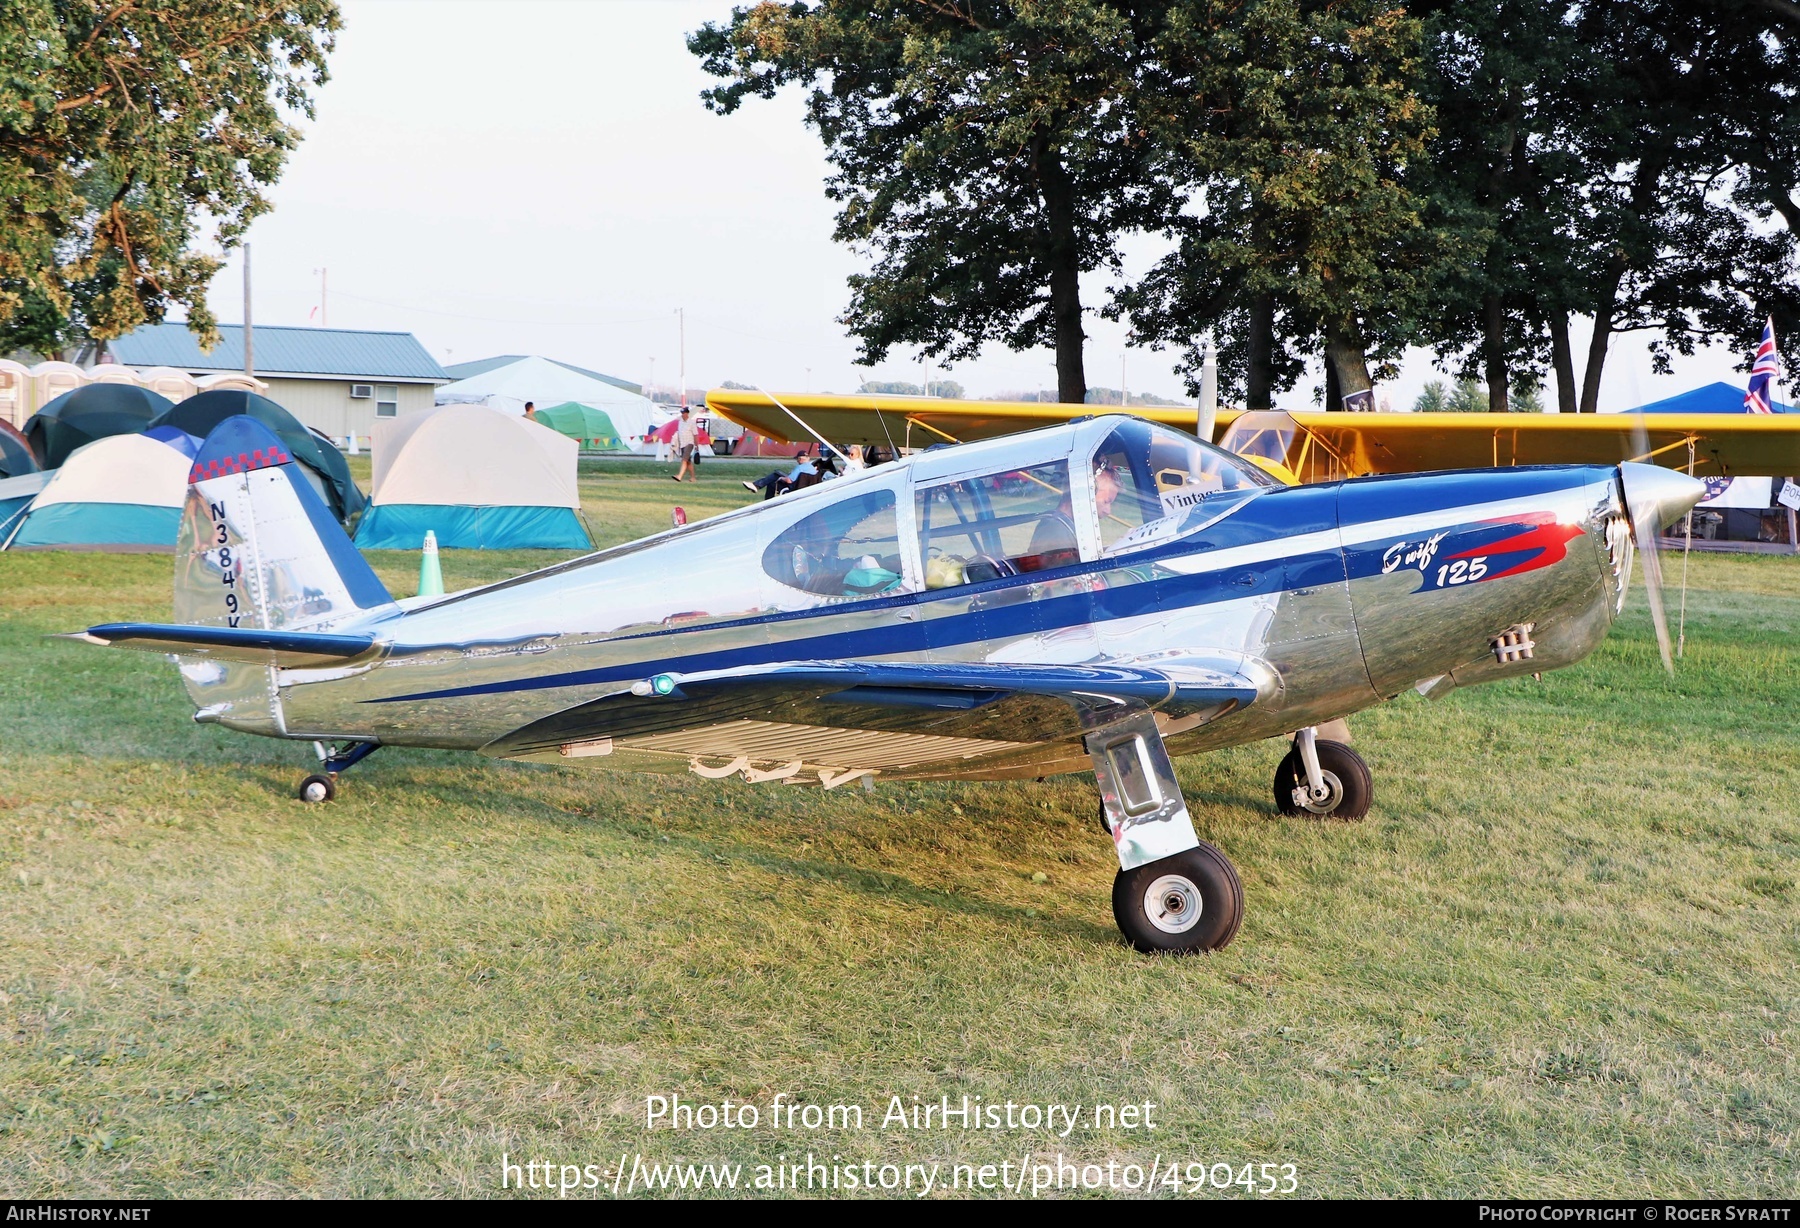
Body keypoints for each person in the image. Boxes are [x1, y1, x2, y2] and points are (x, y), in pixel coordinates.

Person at [1021, 464, 1120, 568]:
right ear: (1085, 493)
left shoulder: (1064, 526)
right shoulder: (1056, 532)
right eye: (1106, 501)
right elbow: (1064, 581)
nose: (1108, 511)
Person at [742, 454, 836, 500]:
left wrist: (782, 478)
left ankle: (758, 488)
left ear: (799, 459)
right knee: (773, 480)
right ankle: (756, 486)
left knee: (775, 475)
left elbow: (789, 480)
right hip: (806, 488)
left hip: (794, 488)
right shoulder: (813, 469)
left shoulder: (800, 467)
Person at [671, 407, 699, 482]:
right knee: (688, 462)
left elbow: (695, 434)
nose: (682, 414)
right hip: (682, 444)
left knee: (684, 460)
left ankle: (679, 476)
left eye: (683, 413)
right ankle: (693, 478)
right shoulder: (680, 422)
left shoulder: (692, 422)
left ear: (687, 413)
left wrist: (696, 445)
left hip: (689, 443)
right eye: (682, 413)